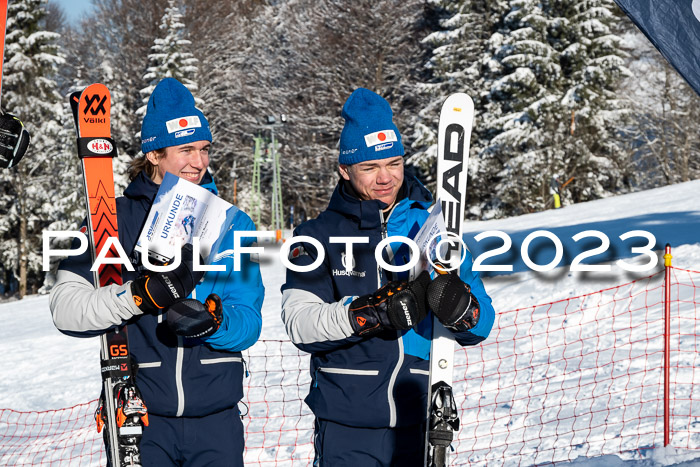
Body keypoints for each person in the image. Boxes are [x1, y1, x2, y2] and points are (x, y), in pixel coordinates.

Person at [50, 78, 264, 466]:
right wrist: (138, 296)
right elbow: (66, 309)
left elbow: (249, 322)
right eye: (186, 150)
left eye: (204, 149)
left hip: (217, 421)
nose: (198, 162)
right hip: (143, 421)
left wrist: (214, 322)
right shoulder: (110, 220)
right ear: (154, 154)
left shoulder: (232, 223)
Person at [281, 88, 495, 466]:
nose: (385, 178)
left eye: (393, 163)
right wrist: (371, 313)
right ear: (345, 170)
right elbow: (300, 325)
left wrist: (463, 309)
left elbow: (482, 324)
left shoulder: (431, 224)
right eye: (370, 167)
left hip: (420, 420)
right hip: (347, 423)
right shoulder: (316, 236)